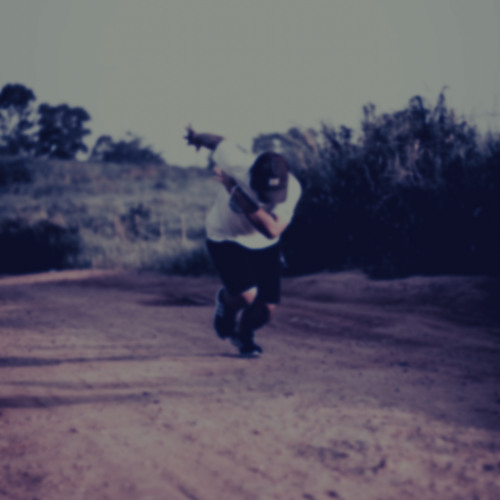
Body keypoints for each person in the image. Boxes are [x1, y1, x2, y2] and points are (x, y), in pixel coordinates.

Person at [185, 126, 302, 356]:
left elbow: (272, 230)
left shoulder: (293, 189)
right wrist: (197, 138)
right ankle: (226, 303)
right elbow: (217, 141)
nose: (269, 200)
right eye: (263, 192)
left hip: (264, 242)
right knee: (245, 295)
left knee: (266, 309)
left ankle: (244, 334)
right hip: (224, 235)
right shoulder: (237, 163)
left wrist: (234, 191)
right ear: (251, 176)